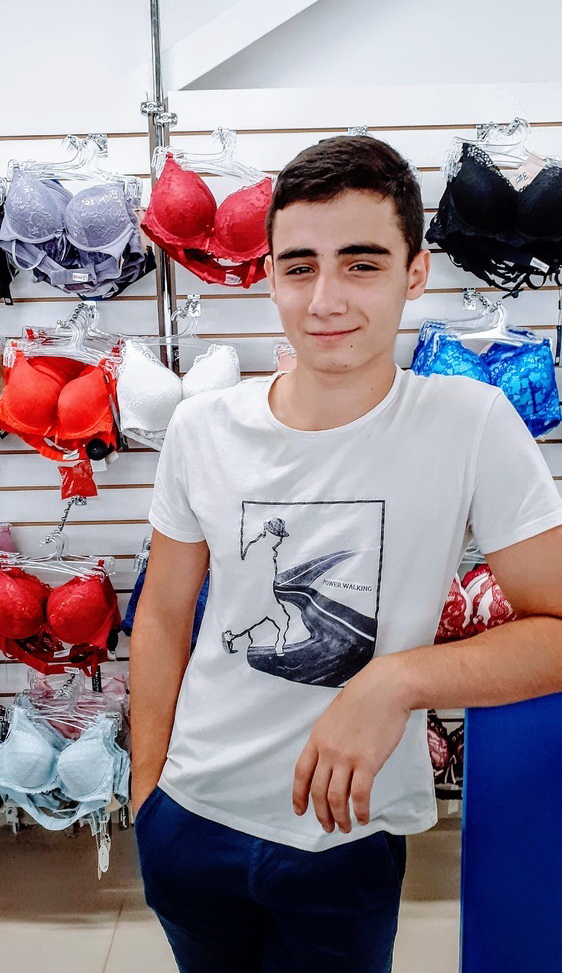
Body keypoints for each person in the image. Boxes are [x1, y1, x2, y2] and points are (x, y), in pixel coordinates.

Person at [130, 136, 562, 973]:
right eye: (301, 267)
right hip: (192, 817)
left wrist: (398, 681)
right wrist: (149, 793)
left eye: (361, 263)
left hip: (345, 832)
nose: (325, 298)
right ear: (269, 277)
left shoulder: (468, 425)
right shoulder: (202, 428)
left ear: (415, 272)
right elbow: (163, 613)